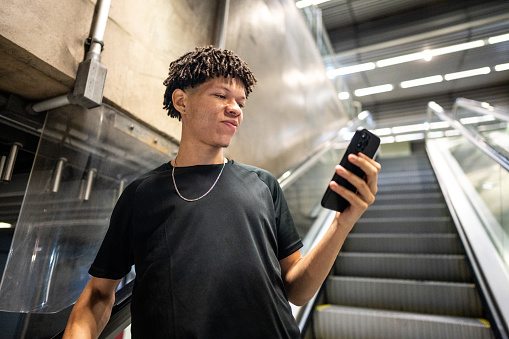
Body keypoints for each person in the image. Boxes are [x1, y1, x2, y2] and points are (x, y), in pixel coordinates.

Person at [63, 45, 380, 338]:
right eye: (221, 96)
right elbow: (98, 295)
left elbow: (296, 290)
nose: (235, 109)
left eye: (240, 102)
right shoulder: (141, 193)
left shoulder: (263, 185)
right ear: (181, 101)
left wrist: (342, 223)